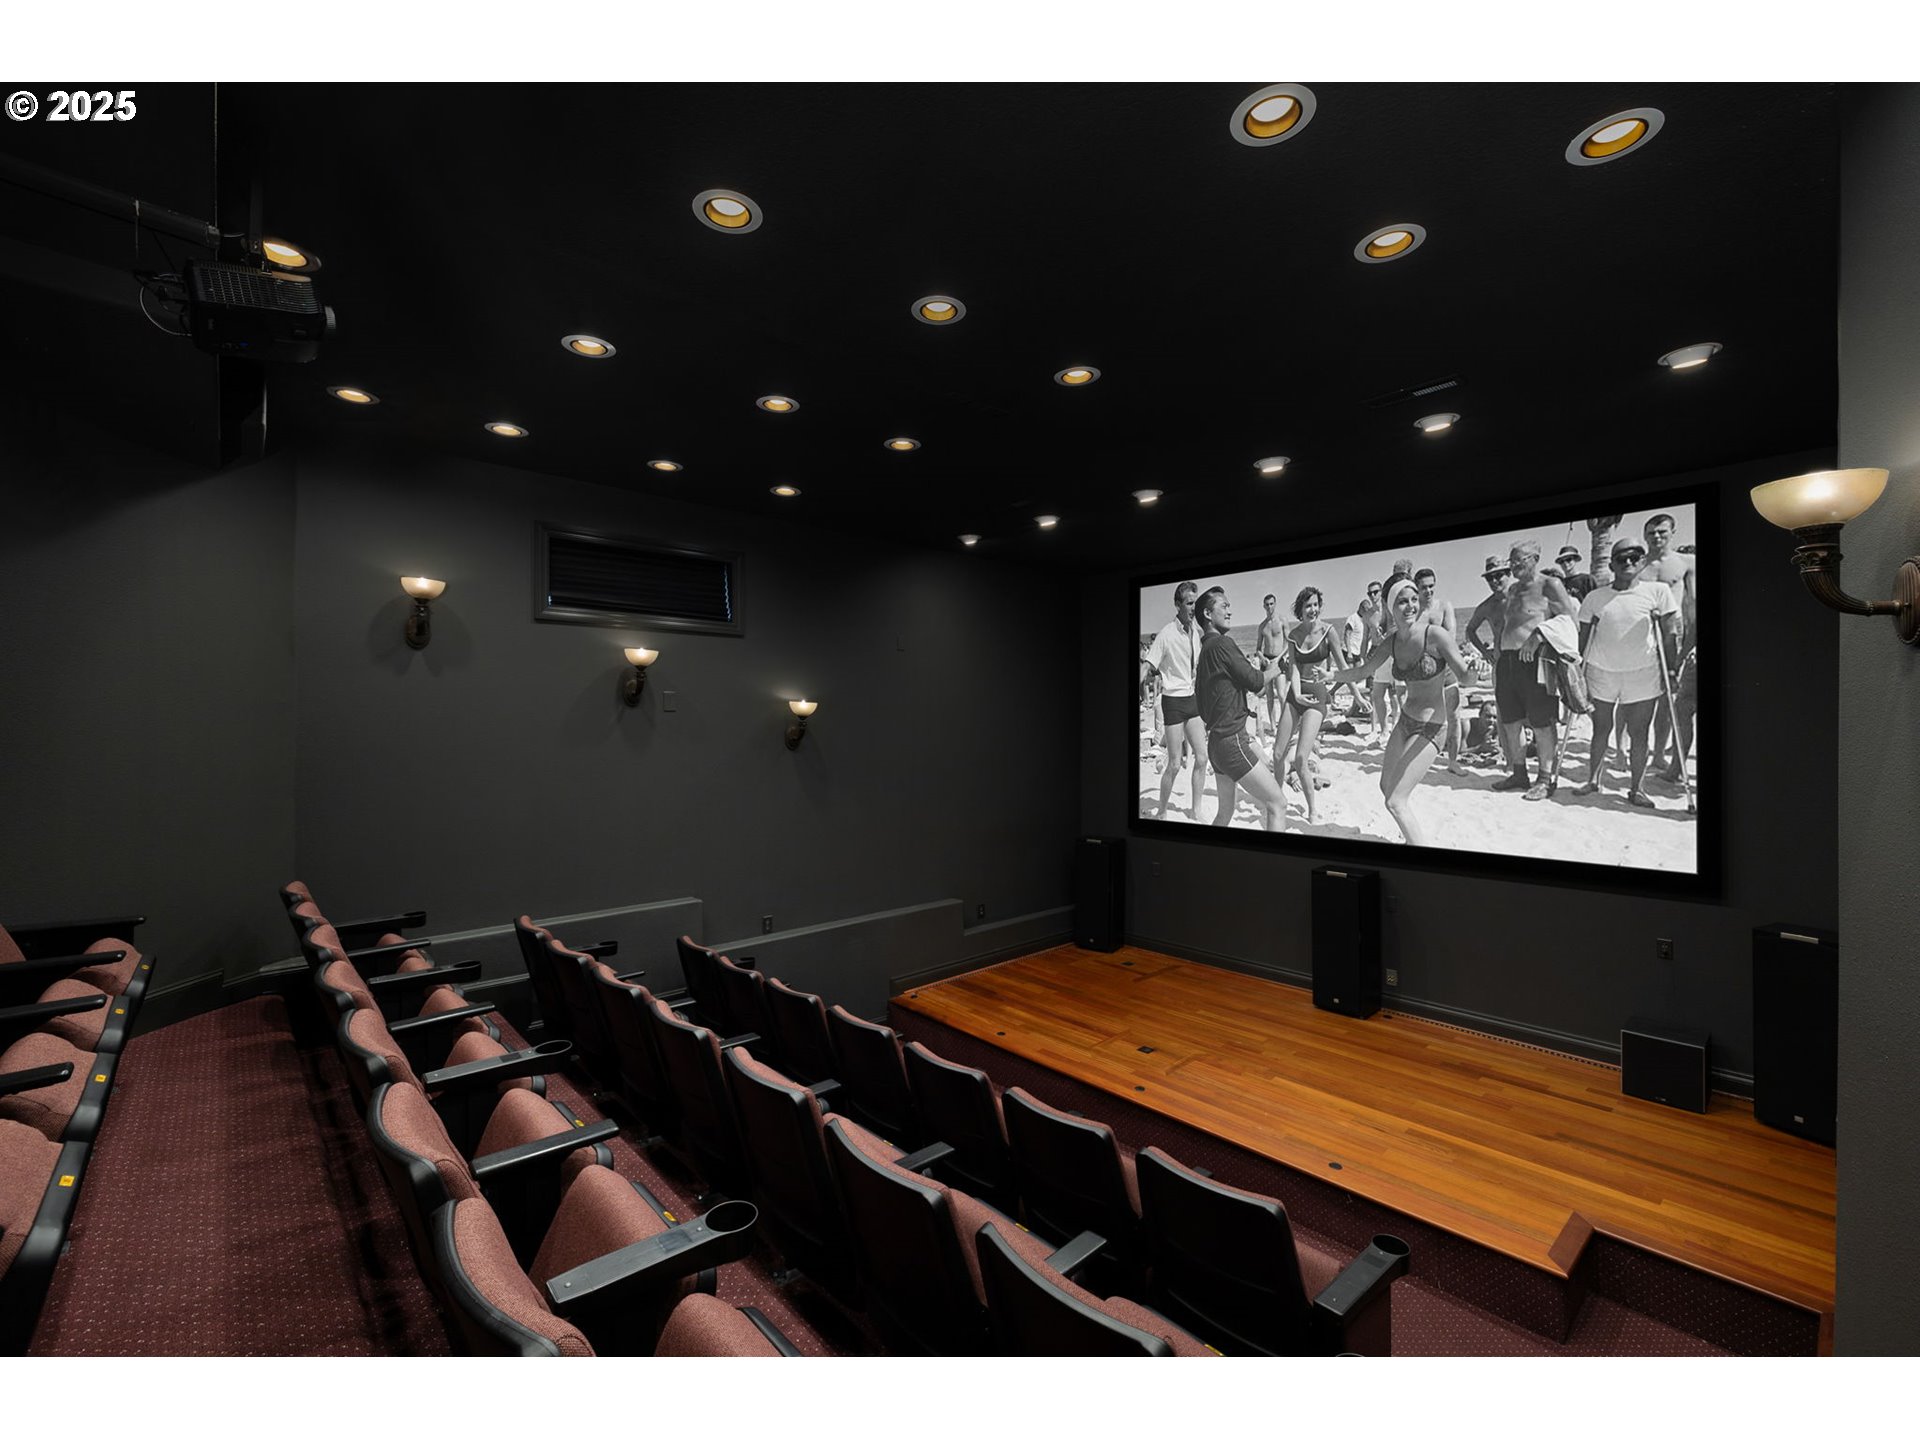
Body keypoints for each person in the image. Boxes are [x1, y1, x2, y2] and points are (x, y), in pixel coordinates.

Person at [1329, 574, 1475, 845]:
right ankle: (1412, 839)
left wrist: (1473, 673)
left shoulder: (1436, 635)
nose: (1409, 606)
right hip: (1406, 721)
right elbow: (1364, 670)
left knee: (1396, 801)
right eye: (1401, 602)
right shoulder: (1393, 641)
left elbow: (1465, 678)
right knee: (1386, 788)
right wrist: (1331, 678)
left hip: (1433, 727)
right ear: (1390, 608)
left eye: (1413, 600)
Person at [1573, 537, 1681, 808]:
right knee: (1601, 728)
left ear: (1643, 561)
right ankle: (1593, 780)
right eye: (1622, 558)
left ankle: (1637, 789)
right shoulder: (1595, 597)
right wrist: (1576, 674)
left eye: (1635, 557)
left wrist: (1671, 668)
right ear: (1611, 564)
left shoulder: (1657, 592)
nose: (1629, 562)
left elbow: (1670, 635)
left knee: (1639, 733)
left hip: (1643, 673)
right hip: (1601, 672)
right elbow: (1582, 640)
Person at [1191, 587, 1290, 831]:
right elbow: (1255, 681)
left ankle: (1207, 860)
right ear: (1207, 613)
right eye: (1224, 606)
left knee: (1224, 813)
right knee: (1278, 803)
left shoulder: (1205, 652)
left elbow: (1202, 706)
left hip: (1215, 743)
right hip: (1232, 741)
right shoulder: (1223, 644)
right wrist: (1279, 668)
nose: (1230, 611)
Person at [1490, 540, 1577, 800]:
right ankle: (1519, 773)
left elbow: (1570, 623)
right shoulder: (1513, 589)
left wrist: (1538, 635)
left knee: (1542, 721)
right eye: (1512, 560)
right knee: (1510, 721)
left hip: (1536, 661)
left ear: (1535, 558)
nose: (1514, 565)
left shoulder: (1550, 585)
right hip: (1507, 662)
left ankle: (1545, 778)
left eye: (1520, 560)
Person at [1273, 586, 1348, 825]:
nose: (1312, 609)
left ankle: (1312, 809)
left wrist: (1356, 694)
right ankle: (1276, 798)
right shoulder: (1294, 635)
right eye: (1308, 605)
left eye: (1316, 604)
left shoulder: (1329, 632)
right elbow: (1293, 667)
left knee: (1301, 758)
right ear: (1300, 609)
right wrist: (1295, 694)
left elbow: (1343, 667)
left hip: (1317, 697)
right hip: (1297, 695)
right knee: (1277, 753)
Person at [1140, 581, 1208, 820]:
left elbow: (1198, 668)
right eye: (1189, 603)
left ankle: (1196, 809)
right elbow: (1147, 667)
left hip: (1192, 699)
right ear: (1178, 604)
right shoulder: (1166, 634)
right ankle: (1162, 809)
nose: (1193, 608)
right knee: (1175, 764)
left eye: (1195, 603)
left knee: (1202, 757)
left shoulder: (1196, 633)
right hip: (1173, 703)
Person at [1639, 513, 1698, 780]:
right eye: (1651, 533)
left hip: (1674, 634)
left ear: (1673, 532)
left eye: (1662, 532)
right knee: (1646, 697)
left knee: (1670, 698)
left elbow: (1693, 606)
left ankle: (1663, 755)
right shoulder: (1639, 567)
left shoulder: (1687, 562)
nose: (1657, 537)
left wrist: (1690, 643)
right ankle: (1656, 752)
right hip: (1643, 636)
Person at [1415, 567, 1467, 776]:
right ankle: (1422, 759)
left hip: (1445, 669)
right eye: (1423, 587)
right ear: (1416, 588)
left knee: (1453, 716)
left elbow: (1451, 638)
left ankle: (1453, 761)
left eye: (1431, 587)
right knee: (1422, 717)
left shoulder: (1444, 607)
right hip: (1422, 673)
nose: (1428, 591)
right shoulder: (1413, 612)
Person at [1255, 592, 1287, 738]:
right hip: (1267, 661)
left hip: (1279, 660)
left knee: (1281, 694)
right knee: (1269, 696)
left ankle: (1284, 724)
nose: (1269, 607)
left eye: (1271, 604)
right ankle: (1273, 726)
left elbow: (1289, 643)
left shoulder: (1282, 620)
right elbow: (1258, 649)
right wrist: (1262, 657)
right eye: (1267, 605)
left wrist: (1280, 657)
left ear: (1275, 604)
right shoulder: (1262, 626)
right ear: (1263, 606)